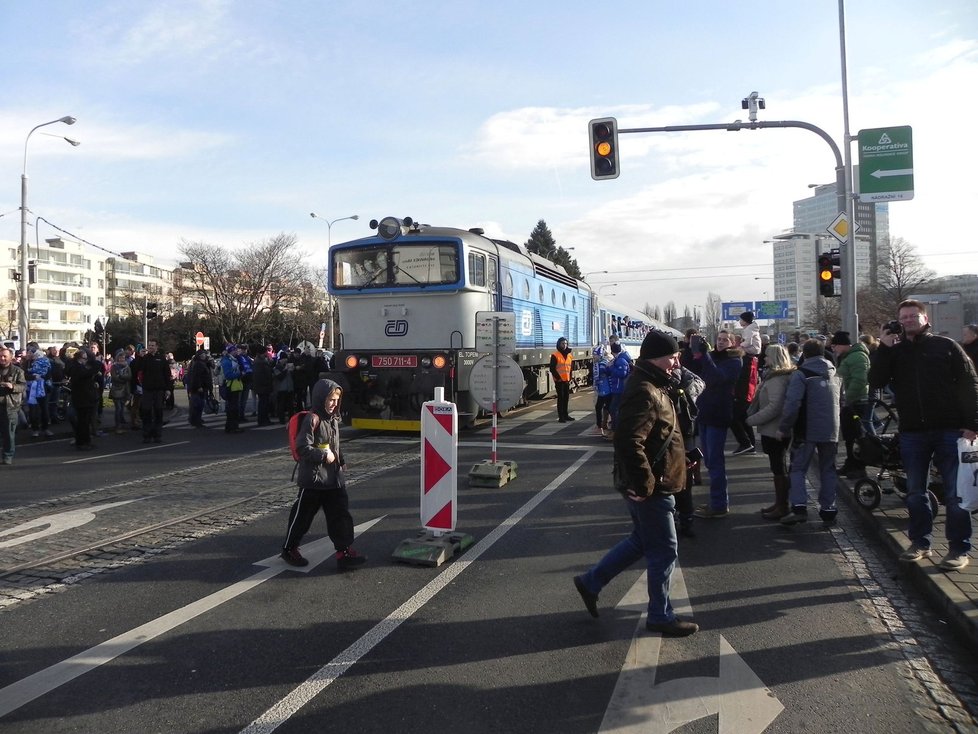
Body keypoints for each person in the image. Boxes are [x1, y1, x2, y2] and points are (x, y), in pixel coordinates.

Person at [572, 331, 698, 637]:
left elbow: (658, 434)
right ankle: (660, 615)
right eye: (672, 356)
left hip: (656, 479)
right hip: (652, 486)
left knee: (643, 541)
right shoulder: (645, 389)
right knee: (665, 549)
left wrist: (683, 455)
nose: (676, 361)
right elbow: (629, 441)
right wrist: (644, 484)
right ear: (656, 357)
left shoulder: (656, 384)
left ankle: (591, 582)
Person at [869, 300, 978, 571]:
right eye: (903, 317)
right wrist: (883, 346)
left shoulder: (946, 346)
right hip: (913, 432)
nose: (908, 320)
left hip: (950, 429)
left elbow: (970, 383)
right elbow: (877, 380)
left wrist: (972, 423)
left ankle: (958, 548)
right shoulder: (895, 352)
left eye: (913, 316)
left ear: (924, 318)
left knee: (955, 494)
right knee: (916, 491)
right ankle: (920, 543)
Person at [280, 379, 368, 571]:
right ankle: (289, 549)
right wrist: (323, 455)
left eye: (337, 399)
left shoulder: (333, 419)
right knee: (302, 517)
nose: (334, 403)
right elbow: (302, 447)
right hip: (313, 480)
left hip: (333, 479)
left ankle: (343, 551)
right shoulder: (313, 419)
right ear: (320, 398)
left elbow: (335, 445)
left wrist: (341, 460)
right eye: (330, 399)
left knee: (341, 516)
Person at [776, 339, 841, 526]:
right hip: (831, 429)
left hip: (806, 429)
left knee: (797, 469)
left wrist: (784, 428)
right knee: (828, 469)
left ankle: (799, 508)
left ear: (805, 353)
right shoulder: (835, 373)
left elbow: (793, 403)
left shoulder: (802, 374)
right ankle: (829, 510)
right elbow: (841, 401)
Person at [692, 330, 743, 518]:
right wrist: (695, 352)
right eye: (719, 339)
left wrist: (705, 356)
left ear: (732, 343)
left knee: (715, 461)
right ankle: (717, 502)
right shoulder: (712, 356)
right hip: (705, 413)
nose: (721, 343)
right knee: (710, 460)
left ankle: (719, 504)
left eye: (725, 340)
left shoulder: (734, 361)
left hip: (718, 414)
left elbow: (715, 377)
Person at [746, 344, 797, 520]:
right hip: (774, 428)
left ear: (774, 358)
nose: (764, 359)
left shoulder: (777, 379)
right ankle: (779, 503)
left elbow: (775, 406)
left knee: (778, 467)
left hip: (775, 430)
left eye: (767, 356)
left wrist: (752, 420)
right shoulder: (779, 376)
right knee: (778, 467)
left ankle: (782, 505)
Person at [831, 330, 872, 478]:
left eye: (835, 346)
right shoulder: (848, 357)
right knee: (849, 436)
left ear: (842, 345)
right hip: (850, 402)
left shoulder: (857, 357)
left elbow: (860, 380)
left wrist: (847, 399)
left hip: (856, 401)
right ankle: (850, 463)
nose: (833, 349)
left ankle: (859, 467)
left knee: (856, 435)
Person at [131, 339, 173, 443]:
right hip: (147, 389)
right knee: (146, 411)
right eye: (149, 346)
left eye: (153, 345)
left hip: (159, 389)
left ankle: (157, 434)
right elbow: (136, 369)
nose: (151, 347)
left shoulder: (162, 359)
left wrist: (168, 389)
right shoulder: (144, 359)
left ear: (157, 347)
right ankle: (147, 435)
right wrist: (139, 357)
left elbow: (167, 375)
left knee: (158, 411)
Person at [64, 347, 101, 451]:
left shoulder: (78, 367)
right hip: (82, 398)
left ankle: (86, 440)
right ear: (80, 359)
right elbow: (93, 369)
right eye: (85, 359)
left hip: (84, 398)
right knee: (83, 422)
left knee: (84, 421)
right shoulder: (77, 368)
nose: (86, 361)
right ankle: (82, 442)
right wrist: (94, 361)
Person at [0, 348, 26, 465]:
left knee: (8, 433)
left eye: (5, 356)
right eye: (1, 356)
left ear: (10, 357)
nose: (2, 358)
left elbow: (23, 387)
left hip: (9, 406)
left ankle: (8, 455)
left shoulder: (17, 371)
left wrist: (12, 386)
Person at [607, 338, 632, 435]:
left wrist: (611, 367)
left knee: (614, 409)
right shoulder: (619, 359)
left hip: (620, 388)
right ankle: (616, 429)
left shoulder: (621, 360)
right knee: (615, 409)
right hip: (617, 388)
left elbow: (622, 374)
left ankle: (616, 430)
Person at [185, 350, 213, 428]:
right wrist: (199, 386)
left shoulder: (201, 363)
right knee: (198, 405)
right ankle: (196, 420)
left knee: (197, 404)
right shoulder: (198, 364)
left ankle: (195, 419)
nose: (205, 356)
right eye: (203, 354)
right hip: (199, 387)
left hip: (201, 386)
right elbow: (196, 376)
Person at [549, 337, 574, 423]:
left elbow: (570, 368)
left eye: (566, 343)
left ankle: (566, 415)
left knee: (566, 398)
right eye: (562, 343)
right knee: (561, 398)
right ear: (559, 344)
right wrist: (558, 378)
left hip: (566, 380)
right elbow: (552, 368)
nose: (564, 345)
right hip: (559, 381)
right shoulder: (555, 355)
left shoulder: (569, 355)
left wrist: (570, 377)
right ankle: (561, 417)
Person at [220, 344, 244, 433]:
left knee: (233, 407)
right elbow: (228, 375)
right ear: (230, 351)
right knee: (232, 408)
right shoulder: (227, 361)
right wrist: (239, 374)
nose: (236, 352)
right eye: (234, 350)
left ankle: (231, 426)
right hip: (230, 386)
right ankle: (232, 427)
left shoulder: (234, 360)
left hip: (235, 386)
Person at [108, 350, 132, 434]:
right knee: (118, 408)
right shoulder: (114, 366)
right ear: (117, 358)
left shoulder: (127, 366)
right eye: (120, 358)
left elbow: (129, 376)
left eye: (123, 358)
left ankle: (122, 423)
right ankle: (117, 426)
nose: (122, 359)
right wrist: (123, 378)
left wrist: (121, 376)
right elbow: (114, 378)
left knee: (122, 408)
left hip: (125, 389)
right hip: (117, 390)